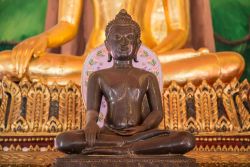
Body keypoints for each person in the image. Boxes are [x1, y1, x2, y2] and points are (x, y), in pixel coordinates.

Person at [0, 0, 245, 86]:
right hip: (92, 63)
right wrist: (40, 40)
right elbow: (67, 23)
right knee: (5, 63)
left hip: (149, 62)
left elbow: (179, 29)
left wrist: (146, 58)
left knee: (229, 63)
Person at [55, 10, 195, 155]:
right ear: (108, 46)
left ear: (137, 46)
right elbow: (92, 110)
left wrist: (144, 127)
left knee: (186, 139)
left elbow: (157, 112)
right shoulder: (98, 76)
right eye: (117, 37)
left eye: (129, 38)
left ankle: (125, 148)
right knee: (63, 140)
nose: (123, 43)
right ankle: (128, 147)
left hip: (140, 134)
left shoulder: (147, 77)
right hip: (109, 134)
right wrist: (91, 124)